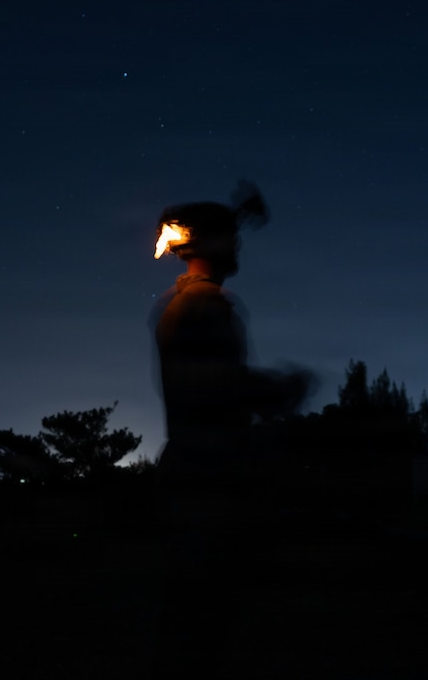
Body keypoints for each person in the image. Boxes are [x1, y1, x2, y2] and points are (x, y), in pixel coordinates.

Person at [148, 179, 310, 676]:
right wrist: (281, 388)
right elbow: (217, 388)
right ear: (207, 242)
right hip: (209, 482)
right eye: (229, 236)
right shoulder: (203, 307)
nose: (237, 245)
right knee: (208, 627)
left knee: (202, 621)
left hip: (199, 478)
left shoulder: (187, 303)